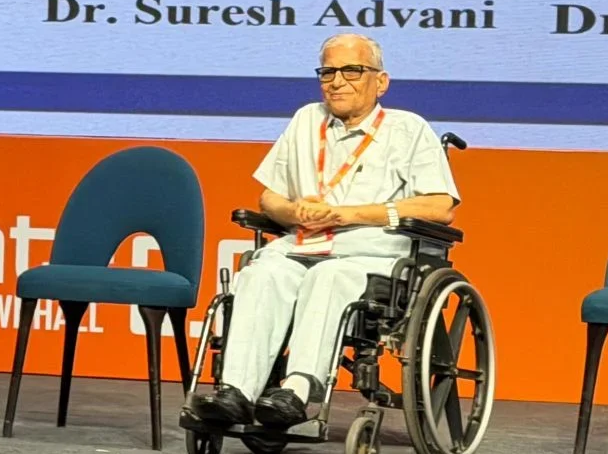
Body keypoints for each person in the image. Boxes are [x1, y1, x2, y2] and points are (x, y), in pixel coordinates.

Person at [185, 34, 459, 429]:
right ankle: (236, 392)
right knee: (262, 273)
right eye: (328, 72)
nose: (337, 81)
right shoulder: (306, 119)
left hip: (368, 254)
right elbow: (269, 197)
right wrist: (293, 210)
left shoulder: (408, 129)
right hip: (302, 244)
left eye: (352, 71)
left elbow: (440, 206)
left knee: (328, 277)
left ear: (381, 82)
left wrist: (348, 215)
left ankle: (295, 392)